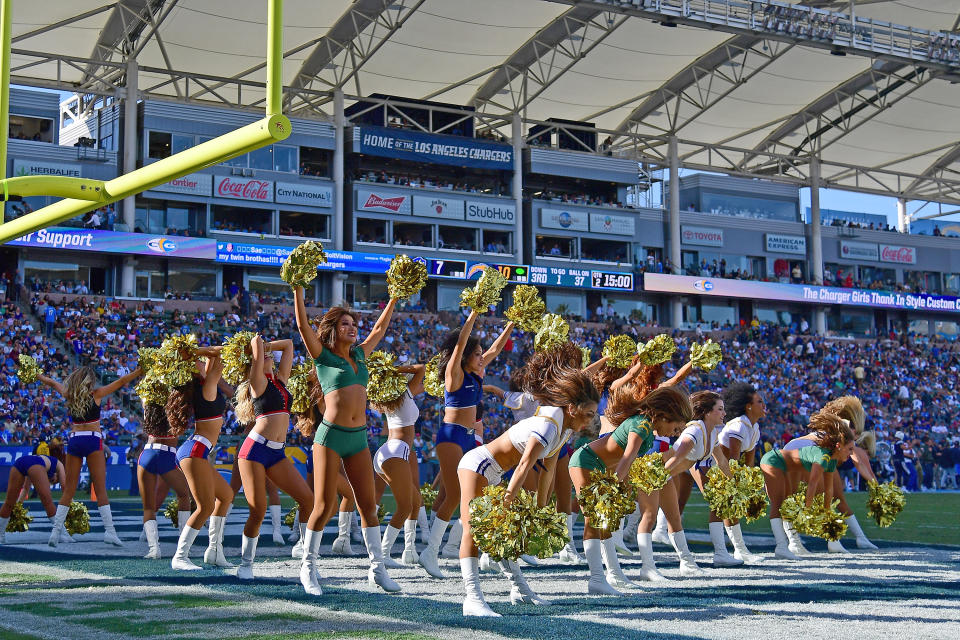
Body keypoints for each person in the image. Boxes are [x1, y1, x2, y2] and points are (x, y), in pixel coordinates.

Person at [458, 350, 599, 616]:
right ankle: (472, 598)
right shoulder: (548, 426)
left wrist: (541, 509)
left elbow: (548, 469)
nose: (592, 419)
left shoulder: (566, 427)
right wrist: (509, 498)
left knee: (508, 534)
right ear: (572, 408)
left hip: (494, 472)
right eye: (589, 413)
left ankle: (519, 589)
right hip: (477, 466)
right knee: (473, 530)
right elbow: (524, 465)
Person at [293, 286, 402, 595]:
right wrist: (298, 288)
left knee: (368, 505)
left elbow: (380, 328)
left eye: (354, 324)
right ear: (333, 330)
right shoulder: (323, 357)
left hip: (358, 439)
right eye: (345, 324)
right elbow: (302, 326)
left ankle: (377, 569)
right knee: (324, 505)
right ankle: (309, 568)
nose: (352, 328)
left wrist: (394, 295)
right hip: (329, 438)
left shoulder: (360, 355)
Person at [568, 386, 692, 595]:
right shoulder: (642, 425)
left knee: (604, 522)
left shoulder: (649, 430)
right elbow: (627, 458)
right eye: (677, 428)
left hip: (602, 468)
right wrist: (615, 487)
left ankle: (614, 575)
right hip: (585, 462)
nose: (676, 434)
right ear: (665, 416)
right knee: (594, 520)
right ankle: (597, 579)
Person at [419, 310, 514, 579]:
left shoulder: (477, 376)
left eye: (482, 354)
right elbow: (460, 343)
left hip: (469, 439)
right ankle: (431, 551)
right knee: (454, 495)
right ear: (464, 357)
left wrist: (512, 323)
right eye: (477, 354)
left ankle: (448, 548)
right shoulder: (455, 375)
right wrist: (473, 314)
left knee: (463, 496)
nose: (482, 357)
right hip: (450, 437)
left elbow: (495, 349)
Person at [233, 335, 313, 580]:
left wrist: (267, 347)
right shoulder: (257, 381)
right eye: (265, 355)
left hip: (277, 452)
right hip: (254, 451)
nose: (269, 355)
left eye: (269, 354)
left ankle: (304, 551)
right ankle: (245, 564)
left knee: (308, 500)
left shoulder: (279, 381)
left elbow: (288, 344)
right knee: (258, 510)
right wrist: (258, 345)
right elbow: (257, 347)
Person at [39, 364, 142, 546]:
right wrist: (139, 371)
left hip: (75, 440)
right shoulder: (97, 394)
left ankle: (55, 533)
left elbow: (52, 382)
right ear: (90, 380)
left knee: (69, 490)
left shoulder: (69, 394)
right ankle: (110, 532)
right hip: (93, 440)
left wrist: (37, 375)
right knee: (101, 489)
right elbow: (122, 381)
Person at [167, 348, 237, 569]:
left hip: (198, 450)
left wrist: (206, 353)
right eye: (198, 361)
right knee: (204, 506)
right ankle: (180, 556)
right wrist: (211, 351)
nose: (202, 362)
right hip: (195, 450)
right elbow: (217, 361)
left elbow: (213, 362)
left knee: (225, 495)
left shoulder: (206, 385)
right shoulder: (206, 386)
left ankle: (214, 551)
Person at [781, 396, 879, 553]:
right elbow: (858, 461)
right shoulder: (839, 433)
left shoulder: (829, 430)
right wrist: (875, 485)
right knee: (829, 498)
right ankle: (835, 541)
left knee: (803, 499)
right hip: (804, 457)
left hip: (786, 457)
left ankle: (795, 541)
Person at [760, 412, 855, 560]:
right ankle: (781, 547)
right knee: (778, 504)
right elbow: (812, 484)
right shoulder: (823, 457)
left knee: (786, 503)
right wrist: (807, 510)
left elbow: (828, 490)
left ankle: (793, 545)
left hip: (787, 467)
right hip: (773, 461)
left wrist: (827, 512)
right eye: (849, 449)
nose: (852, 453)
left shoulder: (831, 460)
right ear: (838, 446)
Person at [662, 391, 732, 573]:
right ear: (708, 412)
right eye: (720, 409)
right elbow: (676, 458)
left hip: (668, 475)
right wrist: (655, 478)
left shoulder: (712, 433)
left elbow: (722, 461)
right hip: (662, 472)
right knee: (638, 513)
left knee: (675, 517)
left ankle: (693, 561)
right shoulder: (694, 431)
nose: (724, 413)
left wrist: (733, 483)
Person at [370, 364, 426, 569]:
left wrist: (388, 373)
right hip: (397, 451)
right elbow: (421, 368)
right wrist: (394, 369)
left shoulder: (388, 398)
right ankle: (383, 554)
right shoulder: (404, 393)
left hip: (385, 452)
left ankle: (409, 551)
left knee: (416, 499)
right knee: (405, 506)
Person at [716, 382, 765, 564]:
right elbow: (734, 460)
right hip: (711, 463)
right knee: (729, 505)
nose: (764, 405)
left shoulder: (754, 428)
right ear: (749, 406)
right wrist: (737, 485)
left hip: (723, 467)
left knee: (680, 500)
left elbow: (750, 462)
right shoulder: (739, 426)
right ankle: (739, 550)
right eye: (759, 402)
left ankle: (738, 550)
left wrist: (750, 486)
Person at [137, 401, 192, 561]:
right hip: (167, 456)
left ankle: (154, 549)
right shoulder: (175, 409)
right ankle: (183, 545)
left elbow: (144, 396)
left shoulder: (149, 408)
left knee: (148, 507)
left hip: (147, 454)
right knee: (183, 496)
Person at [0, 450, 66, 542]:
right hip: (33, 463)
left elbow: (26, 488)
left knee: (9, 502)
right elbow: (64, 487)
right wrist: (73, 503)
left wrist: (18, 506)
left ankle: (1, 536)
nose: (52, 480)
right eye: (54, 480)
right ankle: (63, 534)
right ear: (57, 475)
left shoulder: (40, 465)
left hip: (20, 462)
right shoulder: (60, 465)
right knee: (47, 502)